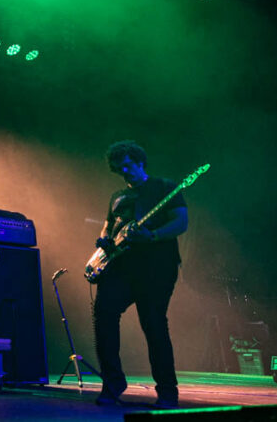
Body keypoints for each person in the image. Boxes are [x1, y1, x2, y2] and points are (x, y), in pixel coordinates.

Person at [92, 140, 188, 409]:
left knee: (153, 324)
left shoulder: (164, 187)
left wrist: (153, 236)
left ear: (140, 161)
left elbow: (181, 221)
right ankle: (113, 382)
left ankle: (167, 392)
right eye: (119, 168)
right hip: (120, 267)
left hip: (156, 268)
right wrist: (104, 240)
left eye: (128, 165)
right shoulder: (117, 196)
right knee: (103, 314)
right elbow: (108, 226)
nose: (125, 171)